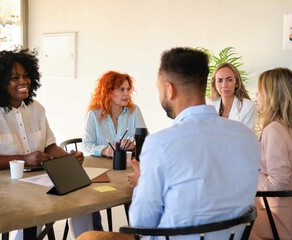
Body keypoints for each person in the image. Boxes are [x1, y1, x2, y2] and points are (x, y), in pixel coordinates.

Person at [77, 47, 260, 240]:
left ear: (169, 89)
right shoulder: (247, 137)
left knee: (87, 237)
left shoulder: (160, 144)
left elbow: (141, 223)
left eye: (159, 89)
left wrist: (141, 183)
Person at [0, 48, 92, 240]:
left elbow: (49, 146)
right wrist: (23, 159)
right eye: (14, 78)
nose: (23, 81)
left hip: (35, 184)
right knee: (38, 207)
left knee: (81, 199)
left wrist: (68, 158)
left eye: (25, 76)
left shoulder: (36, 109)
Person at [250, 68, 292, 240]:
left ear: (272, 96)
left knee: (235, 221)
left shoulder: (274, 130)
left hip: (283, 223)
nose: (256, 94)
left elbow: (277, 185)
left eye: (261, 90)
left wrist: (250, 173)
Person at [81, 71, 146, 158]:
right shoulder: (94, 114)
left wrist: (134, 144)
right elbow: (86, 145)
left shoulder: (134, 111)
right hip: (101, 166)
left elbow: (145, 140)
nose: (127, 94)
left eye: (128, 89)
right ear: (108, 92)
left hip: (126, 164)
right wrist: (105, 151)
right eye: (122, 89)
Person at [208, 62, 257, 130]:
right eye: (220, 81)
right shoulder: (209, 105)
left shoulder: (248, 106)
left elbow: (246, 138)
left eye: (229, 80)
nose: (224, 85)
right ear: (214, 84)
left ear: (236, 83)